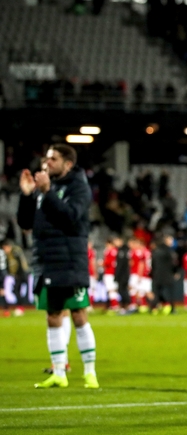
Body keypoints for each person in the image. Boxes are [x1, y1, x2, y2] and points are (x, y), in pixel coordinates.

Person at [17, 144, 99, 389]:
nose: (47, 162)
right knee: (52, 316)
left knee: (78, 314)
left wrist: (47, 191)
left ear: (68, 164)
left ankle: (90, 373)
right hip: (46, 261)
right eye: (46, 158)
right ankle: (59, 373)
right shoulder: (44, 188)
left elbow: (70, 216)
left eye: (53, 159)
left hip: (70, 260)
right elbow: (25, 222)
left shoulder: (79, 187)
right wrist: (27, 194)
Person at [150, 233, 179, 314]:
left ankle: (153, 307)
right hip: (167, 274)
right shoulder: (169, 251)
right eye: (170, 240)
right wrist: (175, 272)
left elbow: (153, 264)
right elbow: (173, 264)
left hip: (157, 274)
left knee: (157, 292)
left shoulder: (156, 251)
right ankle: (171, 308)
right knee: (169, 292)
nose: (172, 241)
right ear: (166, 241)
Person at [101, 236, 121, 311]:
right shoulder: (116, 251)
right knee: (113, 289)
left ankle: (114, 305)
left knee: (110, 289)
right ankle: (113, 305)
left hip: (109, 273)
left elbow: (108, 262)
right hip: (114, 273)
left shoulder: (110, 251)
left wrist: (101, 263)